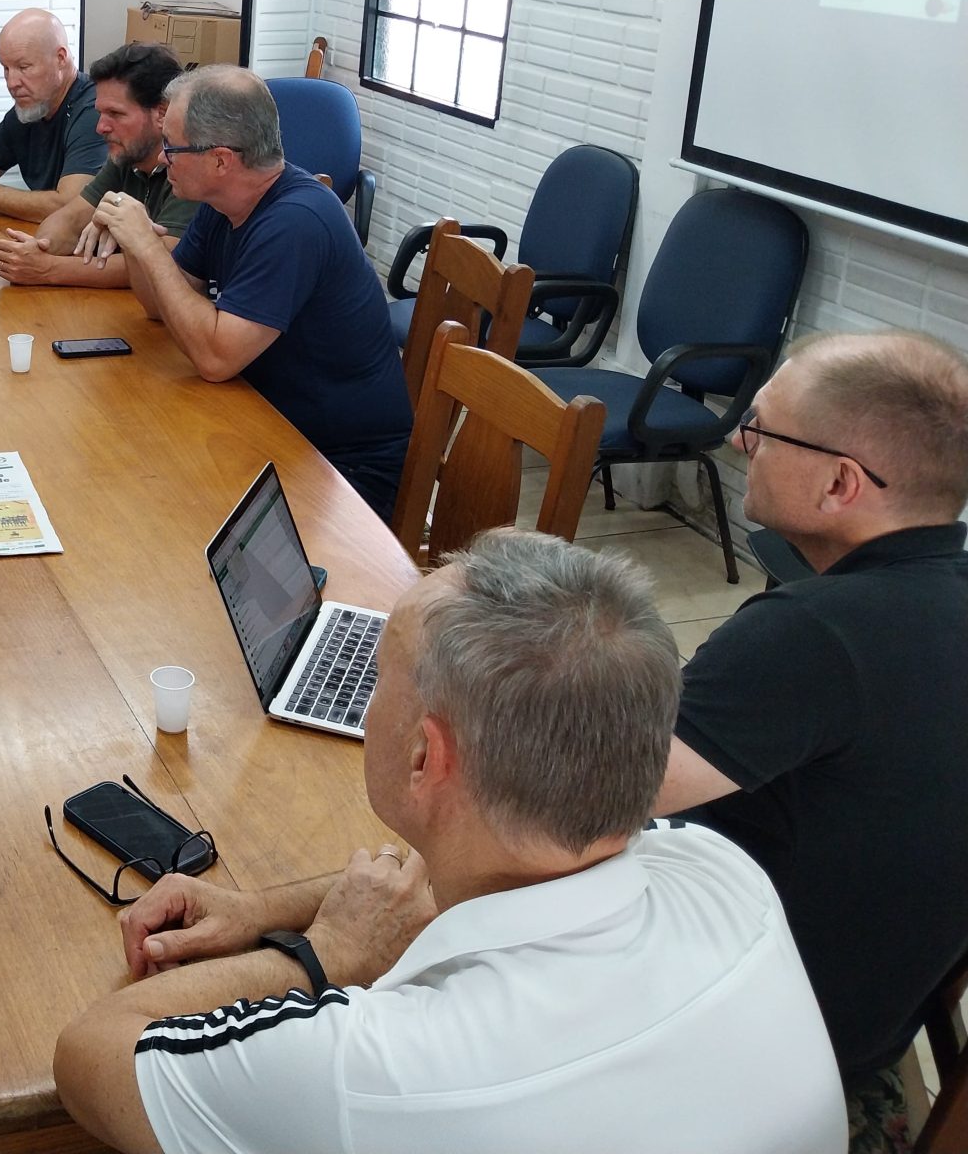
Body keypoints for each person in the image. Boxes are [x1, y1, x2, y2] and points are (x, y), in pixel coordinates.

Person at [53, 530, 845, 1154]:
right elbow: (494, 870)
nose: (367, 700)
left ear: (424, 756)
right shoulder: (721, 873)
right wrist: (261, 908)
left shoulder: (377, 1071)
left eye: (376, 678)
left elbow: (92, 1056)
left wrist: (321, 956)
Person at [653, 329, 968, 1148]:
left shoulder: (813, 635)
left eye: (761, 426)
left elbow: (593, 791)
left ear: (840, 483)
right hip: (872, 1015)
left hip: (745, 1036)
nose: (738, 441)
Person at [85, 64, 412, 519]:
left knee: (157, 508)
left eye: (171, 147)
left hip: (344, 469)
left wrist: (147, 247)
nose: (161, 159)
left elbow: (216, 360)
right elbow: (161, 307)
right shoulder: (225, 203)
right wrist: (137, 245)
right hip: (271, 422)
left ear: (221, 160)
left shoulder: (294, 223)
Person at [0, 42, 199, 288]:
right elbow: (69, 220)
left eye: (115, 114)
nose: (100, 127)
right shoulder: (125, 157)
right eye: (100, 113)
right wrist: (37, 251)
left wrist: (47, 268)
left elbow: (165, 266)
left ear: (162, 114)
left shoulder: (190, 166)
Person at [0, 9, 105, 222]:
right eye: (6, 68)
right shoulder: (31, 108)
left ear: (60, 58)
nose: (11, 83)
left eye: (23, 67)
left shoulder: (96, 111)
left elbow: (69, 208)